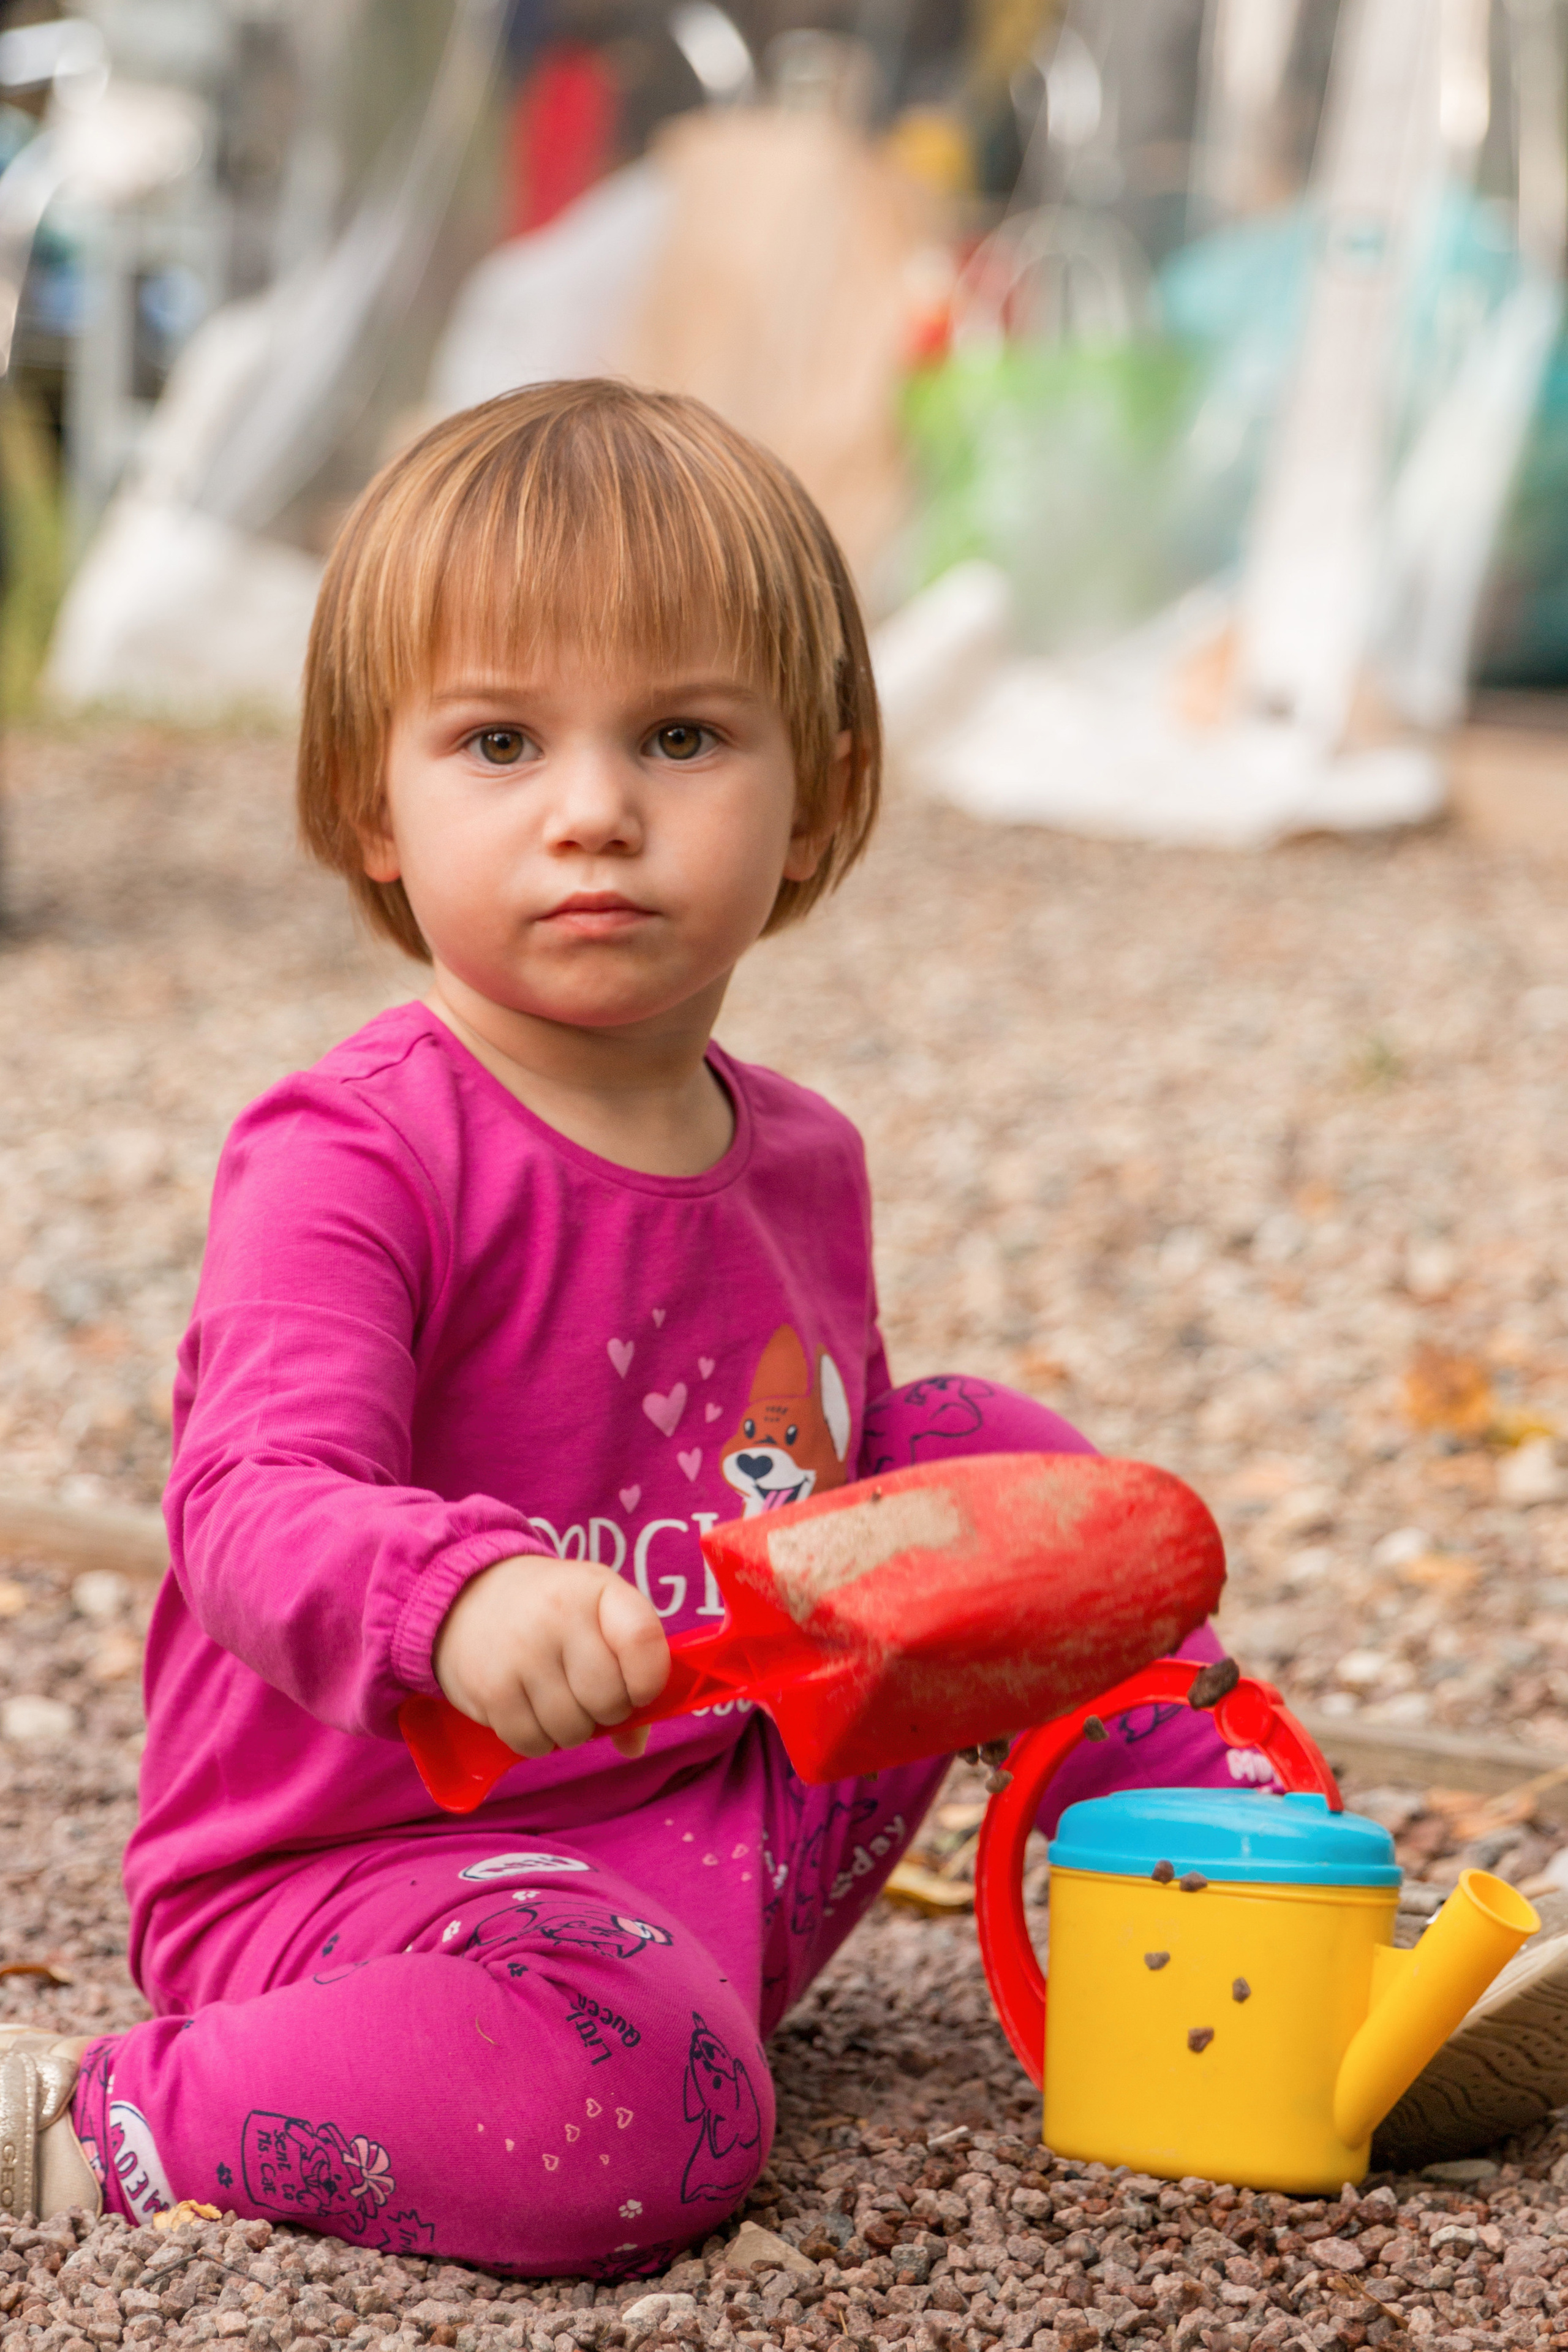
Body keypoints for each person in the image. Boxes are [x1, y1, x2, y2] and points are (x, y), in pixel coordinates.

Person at [4, 382, 1243, 2272]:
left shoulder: (804, 1159)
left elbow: (837, 1525)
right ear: (371, 802)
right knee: (637, 2103)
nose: (594, 811)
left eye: (681, 736)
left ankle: (1221, 1911)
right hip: (366, 1882)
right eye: (501, 742)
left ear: (818, 793)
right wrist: (459, 1602)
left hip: (714, 1836)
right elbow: (250, 1503)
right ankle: (105, 2115)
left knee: (978, 1455)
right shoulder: (357, 1151)